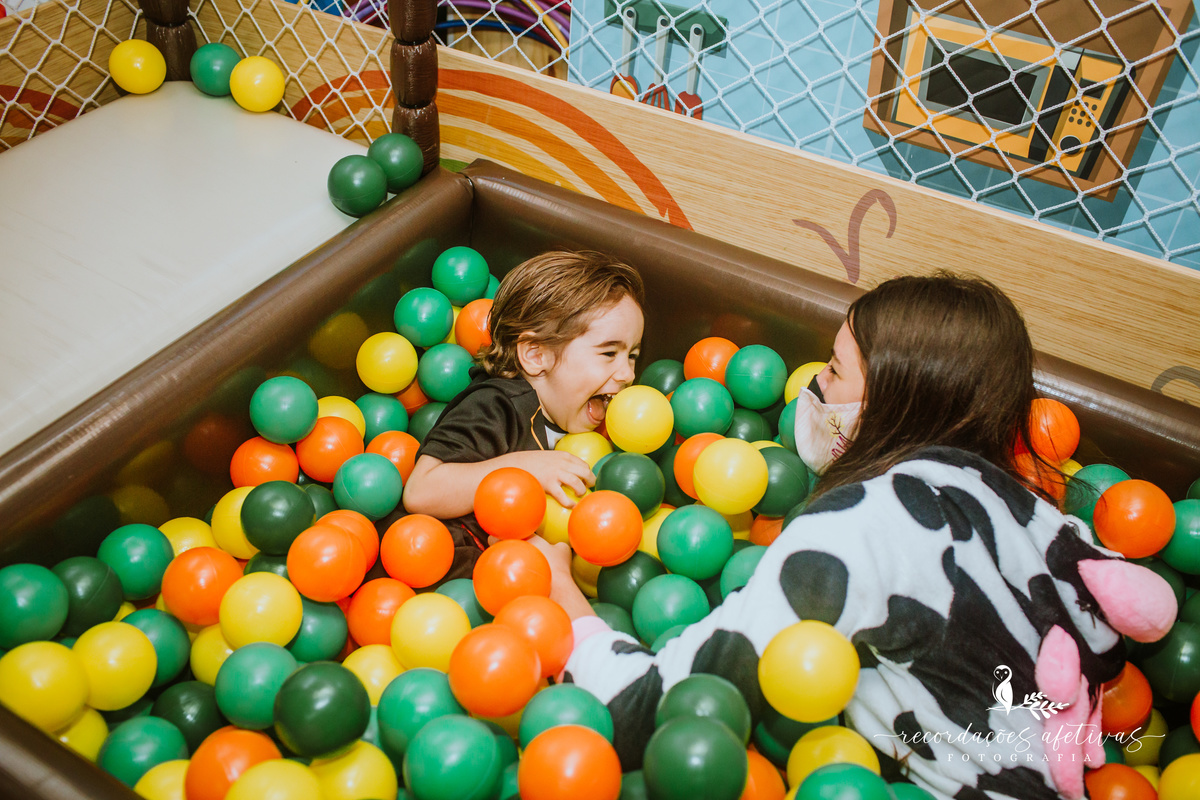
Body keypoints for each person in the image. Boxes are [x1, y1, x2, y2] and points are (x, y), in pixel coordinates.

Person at [536, 272, 1177, 800]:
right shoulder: (1033, 511)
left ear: (892, 402)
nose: (816, 385)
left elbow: (652, 709)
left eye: (837, 371)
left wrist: (563, 595)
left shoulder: (858, 528)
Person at [403, 250, 645, 578]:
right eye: (608, 353)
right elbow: (421, 491)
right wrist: (522, 467)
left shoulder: (585, 420)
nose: (627, 373)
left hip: (513, 574)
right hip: (438, 562)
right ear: (536, 355)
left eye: (632, 356)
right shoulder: (497, 403)